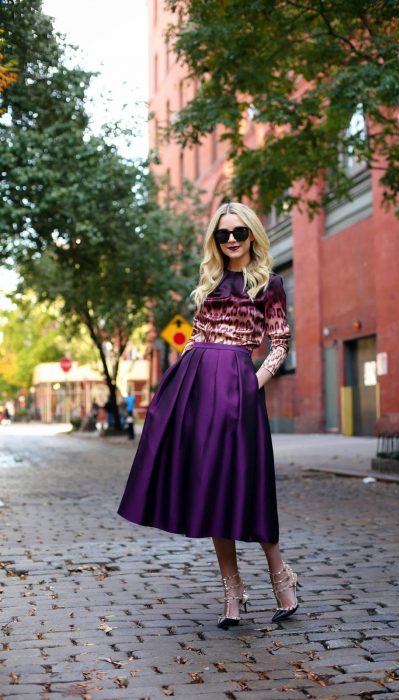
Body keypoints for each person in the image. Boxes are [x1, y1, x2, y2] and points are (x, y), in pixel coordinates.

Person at [117, 202, 300, 628]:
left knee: (249, 486)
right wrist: (185, 378)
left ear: (253, 233)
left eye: (239, 232)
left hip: (239, 387)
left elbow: (280, 343)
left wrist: (252, 384)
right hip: (199, 385)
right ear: (215, 241)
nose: (232, 239)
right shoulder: (209, 284)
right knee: (214, 487)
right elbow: (196, 335)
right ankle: (232, 592)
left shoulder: (269, 285)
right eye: (223, 234)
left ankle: (282, 579)